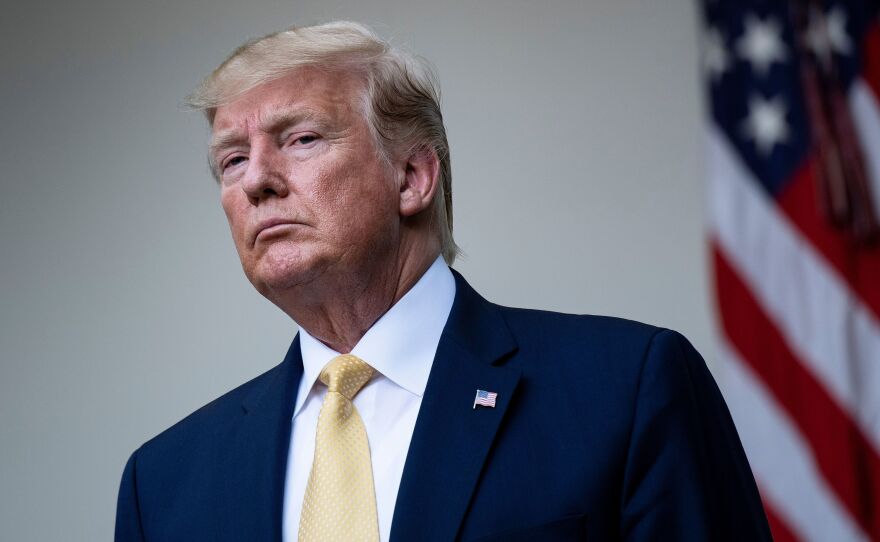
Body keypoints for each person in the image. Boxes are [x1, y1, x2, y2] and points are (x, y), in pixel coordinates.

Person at [115, 21, 771, 542]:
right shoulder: (163, 483)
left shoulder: (626, 392)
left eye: (302, 138)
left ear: (411, 178)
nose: (256, 180)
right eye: (232, 159)